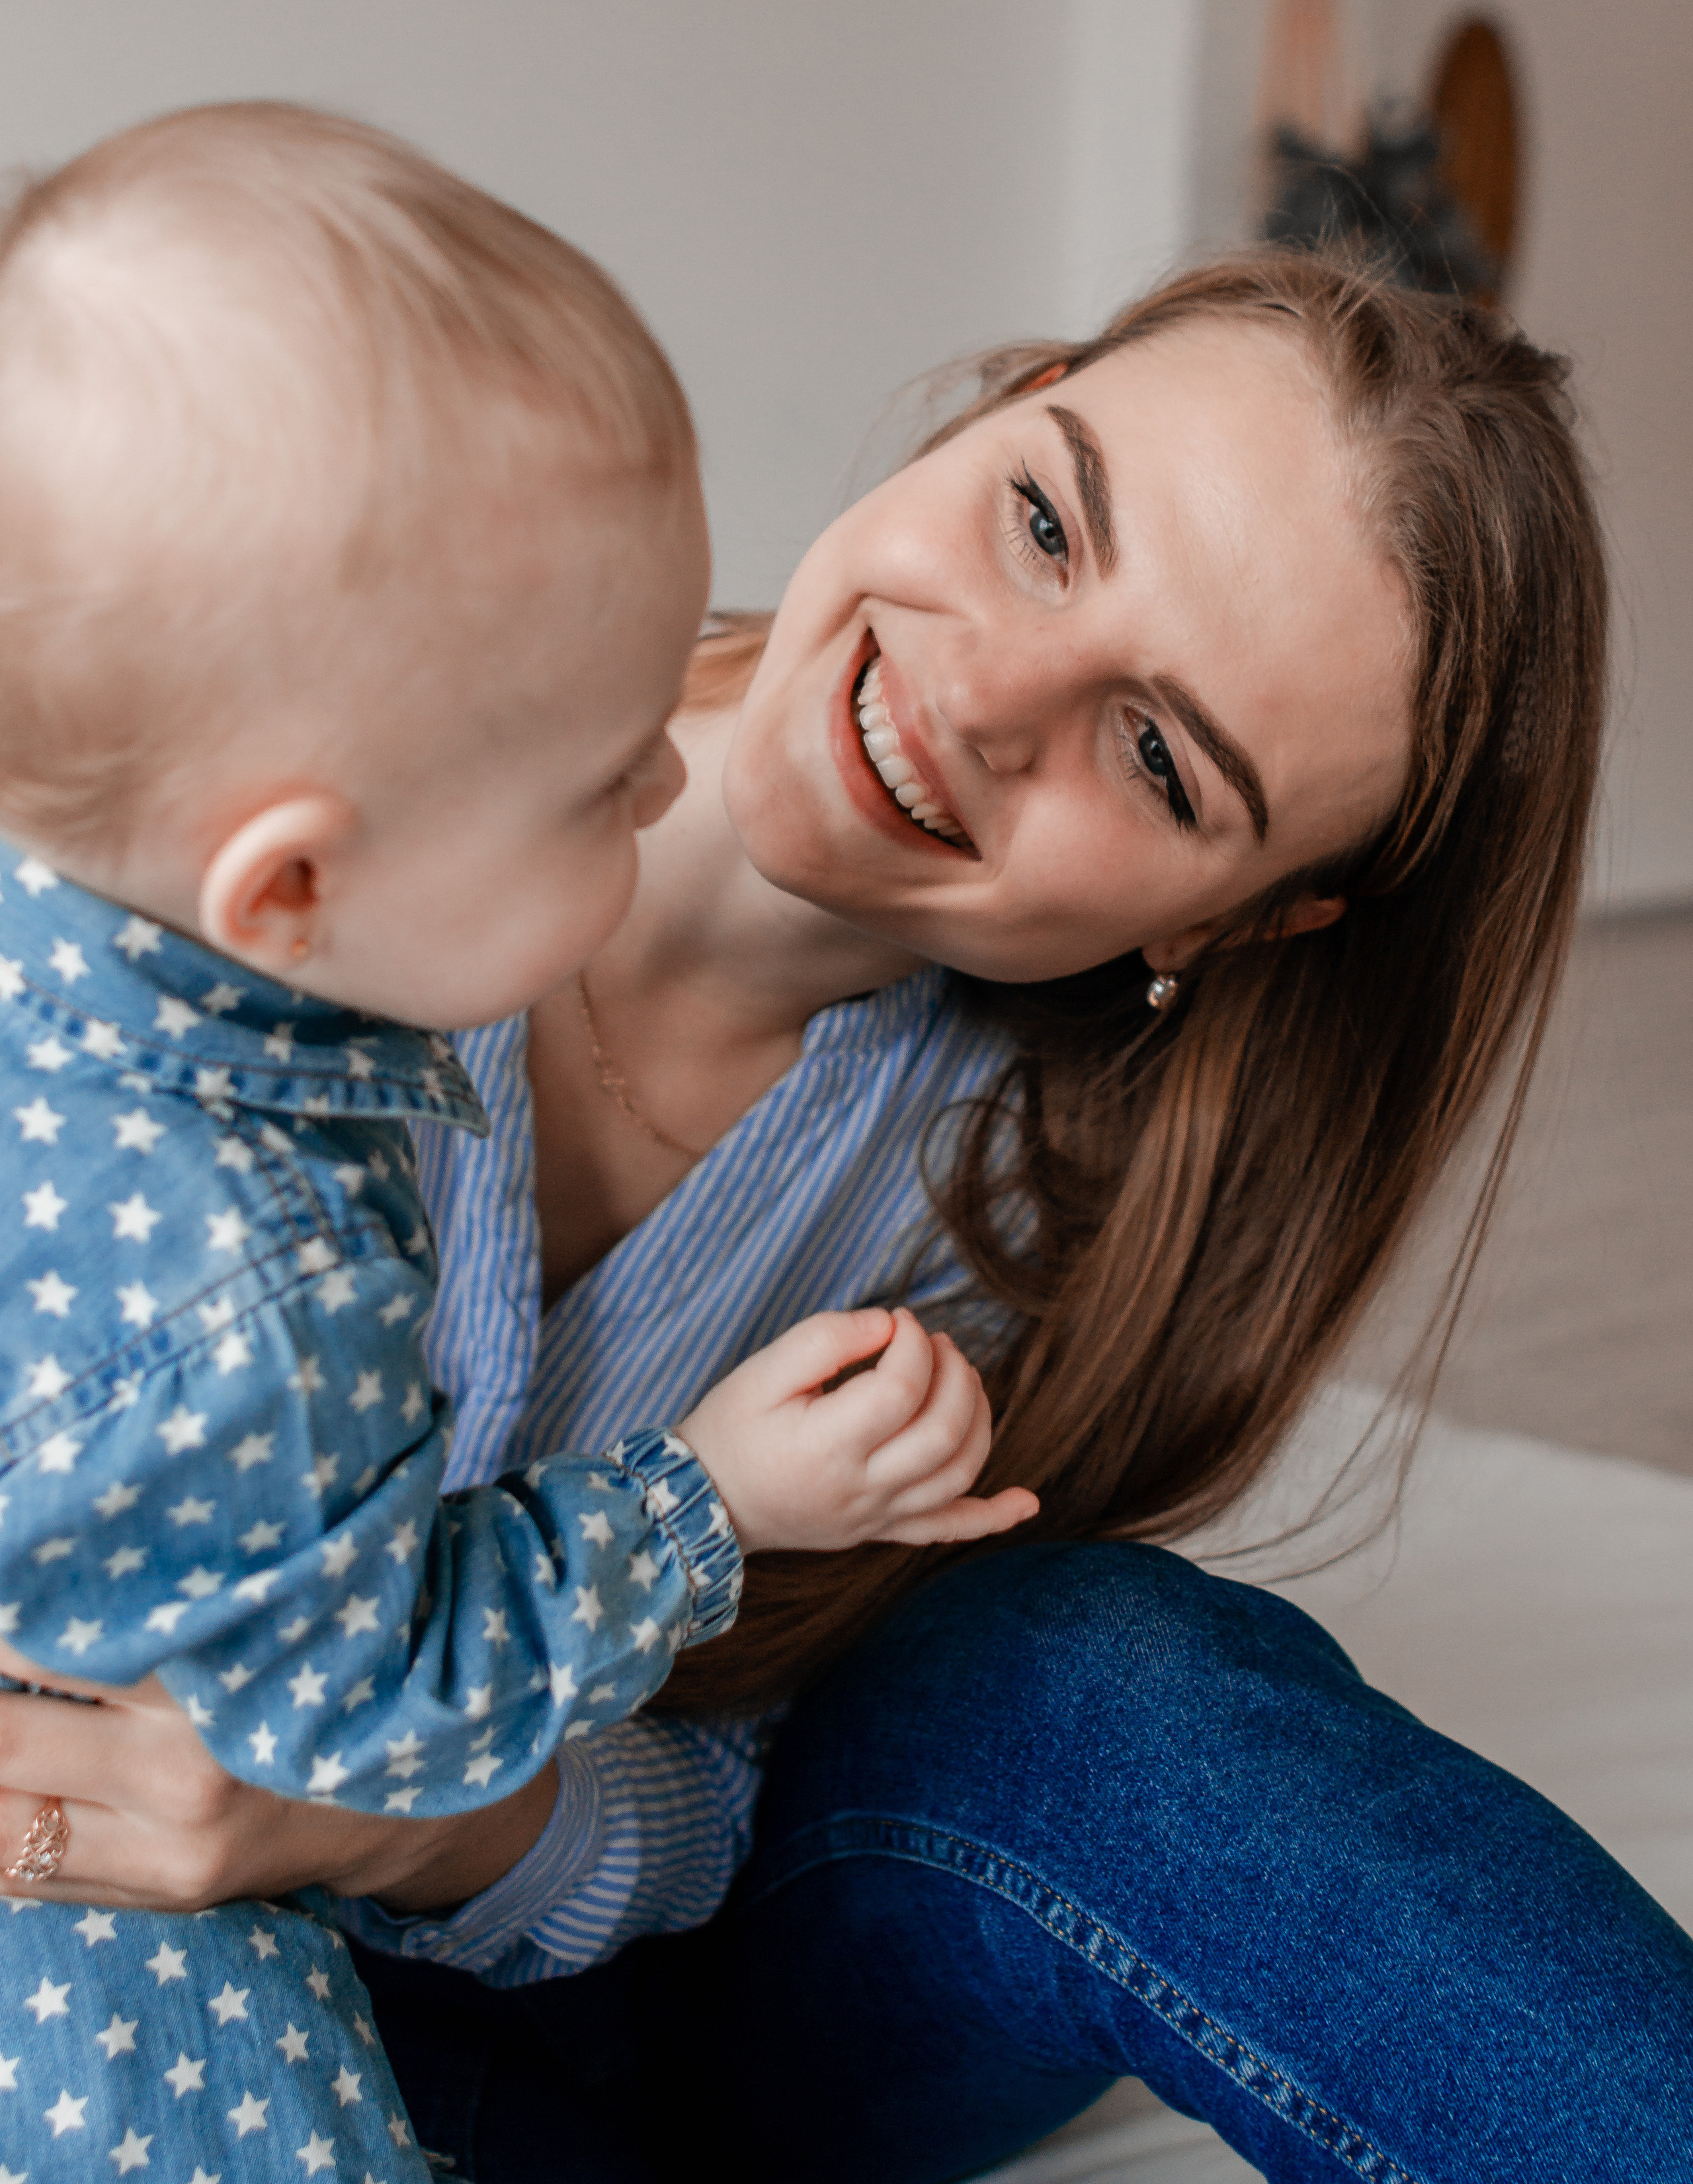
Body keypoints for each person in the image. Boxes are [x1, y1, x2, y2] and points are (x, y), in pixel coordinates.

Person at [3, 249, 1689, 2183]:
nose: (984, 694)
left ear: (1238, 919)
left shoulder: (1057, 1213)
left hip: (620, 2025)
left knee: (1102, 1679)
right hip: (107, 1968)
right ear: (1003, 398)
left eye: (1157, 756)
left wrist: (366, 1813)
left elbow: (724, 1781)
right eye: (1045, 520)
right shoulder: (307, 696)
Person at [0, 104, 1031, 2178]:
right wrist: (706, 1496)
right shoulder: (257, 1296)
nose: (675, 775)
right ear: (294, 891)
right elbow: (367, 1717)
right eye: (594, 782)